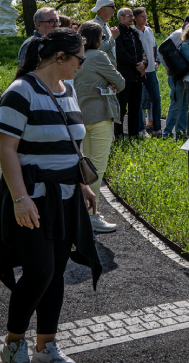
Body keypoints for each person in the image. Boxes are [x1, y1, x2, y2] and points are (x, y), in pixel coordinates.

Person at [0, 27, 101, 363]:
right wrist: (19, 198)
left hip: (66, 195)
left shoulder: (68, 89)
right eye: (79, 59)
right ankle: (13, 345)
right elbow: (6, 149)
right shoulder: (20, 91)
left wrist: (82, 183)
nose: (81, 65)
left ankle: (46, 347)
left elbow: (72, 141)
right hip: (32, 197)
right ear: (60, 57)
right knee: (39, 271)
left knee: (56, 272)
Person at [73, 21, 125, 234]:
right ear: (97, 38)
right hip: (100, 116)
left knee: (86, 166)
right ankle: (90, 216)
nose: (104, 39)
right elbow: (120, 82)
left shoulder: (75, 56)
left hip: (80, 116)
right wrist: (108, 84)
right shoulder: (98, 56)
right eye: (103, 36)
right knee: (97, 167)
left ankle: (82, 213)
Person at [163, 14, 189, 138]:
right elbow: (161, 49)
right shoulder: (178, 34)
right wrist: (168, 68)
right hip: (176, 76)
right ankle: (167, 133)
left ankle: (181, 132)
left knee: (184, 105)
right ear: (187, 24)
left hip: (185, 75)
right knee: (176, 104)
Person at [113, 7, 147, 140]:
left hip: (137, 77)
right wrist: (136, 65)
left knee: (135, 108)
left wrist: (143, 64)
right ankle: (119, 137)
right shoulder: (117, 32)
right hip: (124, 77)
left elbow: (142, 51)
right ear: (121, 18)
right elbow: (121, 53)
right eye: (129, 16)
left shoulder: (134, 33)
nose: (132, 18)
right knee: (121, 109)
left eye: (132, 15)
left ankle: (133, 136)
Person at [133, 7, 162, 136]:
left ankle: (157, 128)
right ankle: (141, 129)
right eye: (142, 17)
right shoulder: (133, 32)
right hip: (139, 72)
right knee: (139, 101)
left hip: (151, 71)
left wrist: (155, 61)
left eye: (145, 16)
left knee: (156, 100)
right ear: (135, 18)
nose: (144, 19)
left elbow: (154, 47)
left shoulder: (149, 30)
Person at [90, 0, 119, 67]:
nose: (115, 9)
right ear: (104, 9)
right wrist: (113, 37)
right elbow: (100, 47)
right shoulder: (95, 25)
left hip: (108, 66)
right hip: (101, 67)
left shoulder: (105, 24)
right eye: (112, 6)